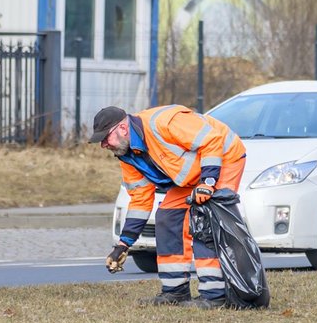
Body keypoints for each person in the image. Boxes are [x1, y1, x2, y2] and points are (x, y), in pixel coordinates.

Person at [91, 105, 246, 309]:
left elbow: (212, 140)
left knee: (205, 220)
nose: (103, 145)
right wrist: (123, 245)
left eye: (105, 138)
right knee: (167, 218)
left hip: (224, 160)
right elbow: (140, 200)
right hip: (192, 178)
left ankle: (215, 295)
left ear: (122, 128)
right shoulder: (128, 156)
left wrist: (208, 182)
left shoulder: (164, 122)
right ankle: (175, 291)